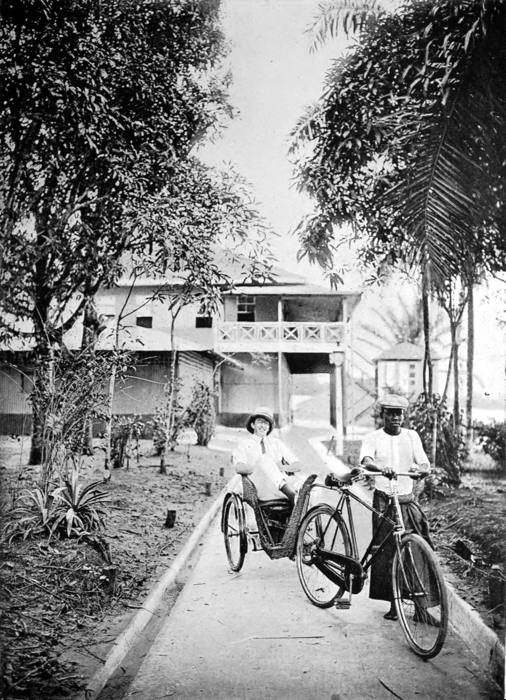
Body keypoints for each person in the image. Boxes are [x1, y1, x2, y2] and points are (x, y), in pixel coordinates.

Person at [358, 393, 432, 620]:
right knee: (389, 552)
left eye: (399, 414)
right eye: (390, 413)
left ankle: (421, 609)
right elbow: (366, 460)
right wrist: (381, 468)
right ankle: (394, 605)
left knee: (418, 550)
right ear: (383, 415)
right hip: (385, 501)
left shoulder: (411, 436)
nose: (396, 418)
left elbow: (424, 462)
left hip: (407, 500)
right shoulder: (373, 437)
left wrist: (422, 469)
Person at [232, 406, 304, 504]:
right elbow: (238, 467)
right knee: (264, 459)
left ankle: (305, 508)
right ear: (253, 425)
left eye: (266, 423)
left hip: (281, 487)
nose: (263, 425)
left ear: (269, 427)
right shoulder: (244, 444)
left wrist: (282, 467)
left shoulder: (276, 443)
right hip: (258, 489)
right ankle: (292, 495)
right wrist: (259, 467)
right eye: (260, 422)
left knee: (307, 484)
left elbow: (298, 465)